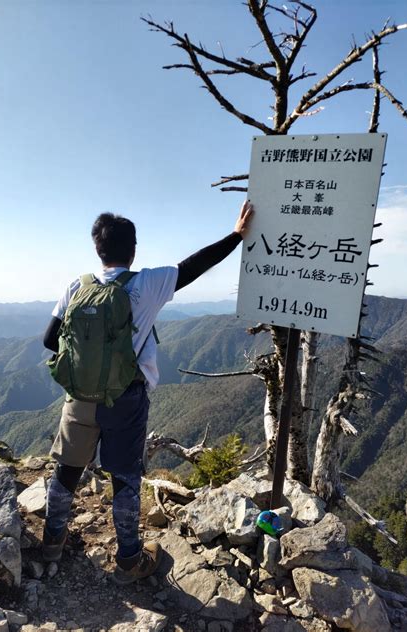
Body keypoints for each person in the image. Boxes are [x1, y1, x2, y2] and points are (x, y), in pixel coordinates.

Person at [42, 200, 254, 584]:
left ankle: (51, 542)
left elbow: (49, 340)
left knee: (67, 469)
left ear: (97, 249)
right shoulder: (147, 284)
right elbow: (194, 266)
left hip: (79, 398)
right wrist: (236, 236)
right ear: (133, 250)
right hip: (125, 398)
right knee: (123, 476)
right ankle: (128, 562)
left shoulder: (77, 286)